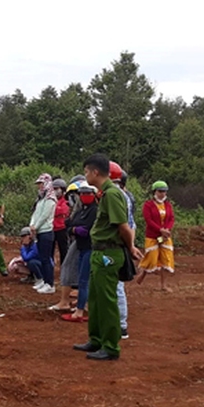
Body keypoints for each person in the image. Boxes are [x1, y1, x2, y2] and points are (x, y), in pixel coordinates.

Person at [72, 154, 142, 361]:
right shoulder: (105, 193)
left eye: (86, 172)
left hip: (109, 254)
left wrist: (130, 247)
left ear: (95, 172)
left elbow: (124, 226)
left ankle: (110, 346)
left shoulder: (112, 194)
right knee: (95, 298)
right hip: (100, 252)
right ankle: (96, 339)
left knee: (107, 300)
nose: (85, 176)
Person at [62, 182, 98, 323]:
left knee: (84, 280)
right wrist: (74, 229)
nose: (84, 196)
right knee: (84, 279)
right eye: (82, 193)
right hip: (82, 247)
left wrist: (74, 229)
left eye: (88, 193)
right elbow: (69, 224)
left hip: (90, 247)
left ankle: (80, 311)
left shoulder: (94, 210)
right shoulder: (82, 210)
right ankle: (83, 306)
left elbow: (86, 229)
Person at [49, 181, 82, 312]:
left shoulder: (87, 209)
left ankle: (67, 302)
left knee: (69, 266)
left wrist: (72, 228)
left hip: (82, 242)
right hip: (77, 240)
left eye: (76, 194)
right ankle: (79, 300)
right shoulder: (80, 209)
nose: (74, 198)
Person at [137, 180, 175, 292]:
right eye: (160, 191)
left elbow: (171, 218)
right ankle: (143, 272)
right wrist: (160, 230)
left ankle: (163, 285)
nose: (162, 194)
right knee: (151, 258)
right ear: (154, 192)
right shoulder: (148, 205)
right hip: (152, 236)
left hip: (165, 237)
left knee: (166, 259)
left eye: (164, 191)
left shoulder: (168, 205)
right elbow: (148, 220)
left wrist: (167, 230)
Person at [111, 162, 134, 339]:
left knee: (117, 286)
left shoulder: (117, 196)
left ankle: (121, 325)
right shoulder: (124, 196)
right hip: (120, 245)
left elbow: (126, 227)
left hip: (116, 247)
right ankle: (118, 324)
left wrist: (130, 246)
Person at [30, 174, 57, 294]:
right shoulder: (41, 199)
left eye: (41, 183)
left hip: (46, 231)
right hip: (39, 231)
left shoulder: (51, 199)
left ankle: (50, 283)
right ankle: (45, 281)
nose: (39, 186)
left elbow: (44, 216)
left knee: (46, 259)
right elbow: (35, 213)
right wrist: (32, 225)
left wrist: (35, 226)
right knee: (42, 258)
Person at [52, 178, 70, 267]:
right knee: (50, 250)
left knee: (63, 250)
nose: (55, 191)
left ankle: (64, 268)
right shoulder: (51, 199)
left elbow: (63, 210)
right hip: (52, 228)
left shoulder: (66, 200)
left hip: (62, 228)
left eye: (57, 189)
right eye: (54, 189)